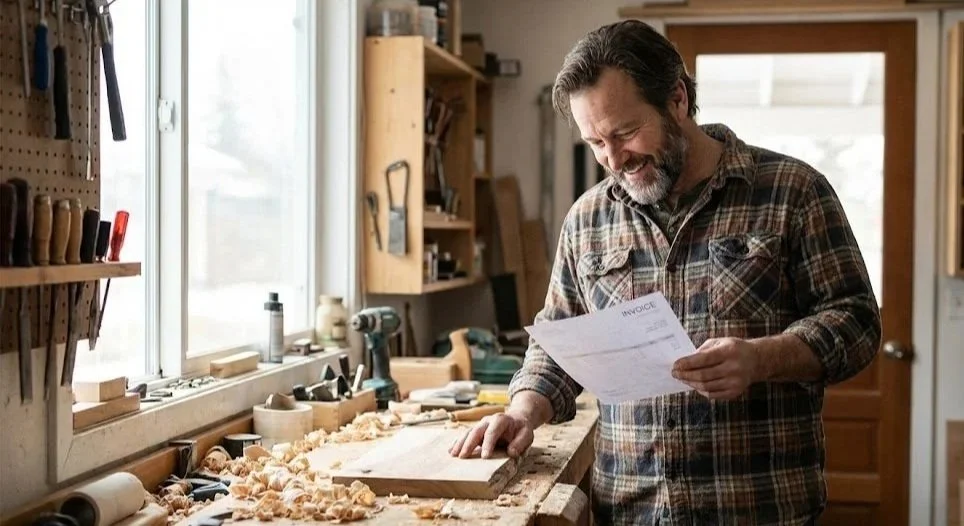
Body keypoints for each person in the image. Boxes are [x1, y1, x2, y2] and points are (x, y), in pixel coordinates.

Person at [448, 19, 881, 526]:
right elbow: (557, 343)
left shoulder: (793, 191)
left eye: (626, 132)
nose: (613, 159)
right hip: (632, 511)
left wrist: (761, 359)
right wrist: (521, 412)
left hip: (760, 509)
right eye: (595, 142)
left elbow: (857, 323)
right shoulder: (588, 220)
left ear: (677, 99)